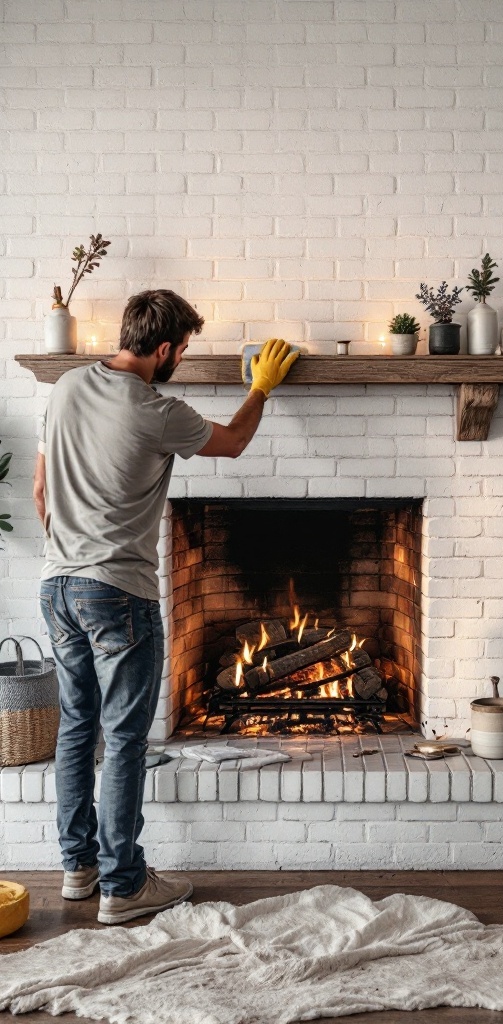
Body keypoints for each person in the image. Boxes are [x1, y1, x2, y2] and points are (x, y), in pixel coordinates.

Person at [33, 289, 298, 925]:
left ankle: (79, 868)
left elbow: (40, 490)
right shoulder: (157, 409)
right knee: (123, 740)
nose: (181, 357)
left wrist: (71, 551)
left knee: (77, 729)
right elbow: (233, 442)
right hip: (117, 592)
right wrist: (261, 386)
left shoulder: (66, 388)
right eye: (182, 348)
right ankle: (123, 886)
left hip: (56, 586)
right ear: (164, 349)